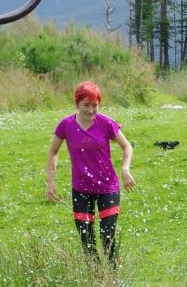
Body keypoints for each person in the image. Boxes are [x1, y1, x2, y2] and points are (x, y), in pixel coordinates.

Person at [45, 82, 134, 266]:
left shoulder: (106, 123)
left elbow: (127, 146)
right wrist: (51, 182)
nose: (91, 110)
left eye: (95, 105)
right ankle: (97, 282)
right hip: (81, 189)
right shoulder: (66, 125)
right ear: (77, 104)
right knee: (87, 241)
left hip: (107, 188)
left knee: (107, 237)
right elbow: (53, 152)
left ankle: (115, 281)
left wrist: (125, 169)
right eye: (86, 105)